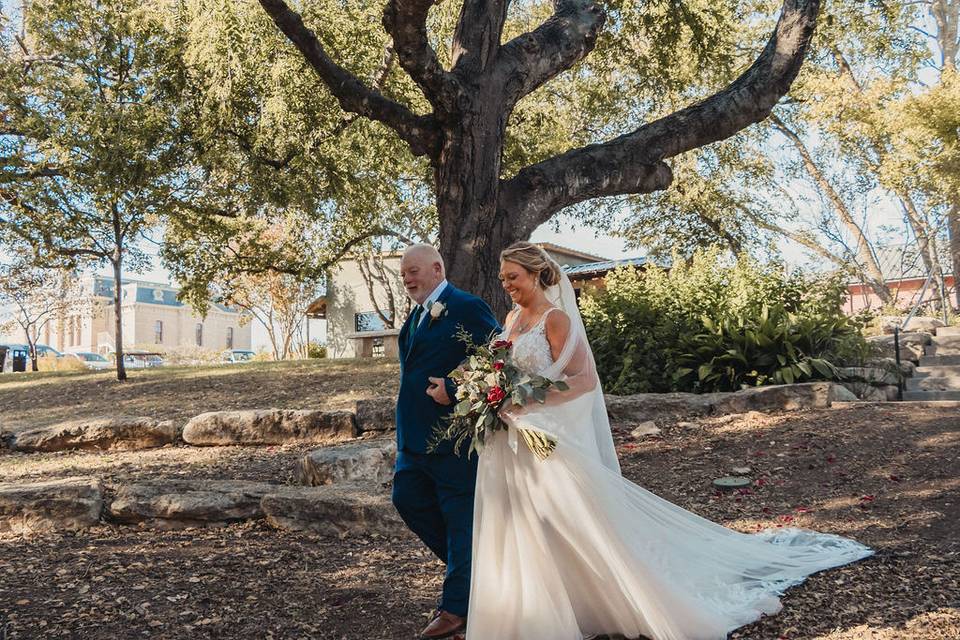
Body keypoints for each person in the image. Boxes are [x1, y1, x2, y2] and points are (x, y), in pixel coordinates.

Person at [465, 241, 874, 640]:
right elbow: (506, 371)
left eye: (513, 277)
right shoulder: (512, 318)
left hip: (544, 435)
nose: (507, 284)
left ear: (536, 274)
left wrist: (527, 401)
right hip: (510, 437)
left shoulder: (555, 320)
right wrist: (495, 394)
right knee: (521, 521)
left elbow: (584, 380)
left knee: (568, 519)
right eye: (503, 278)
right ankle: (533, 611)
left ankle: (605, 600)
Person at [392, 244, 500, 640]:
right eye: (404, 273)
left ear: (438, 268)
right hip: (413, 440)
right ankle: (477, 578)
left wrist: (455, 387)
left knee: (459, 520)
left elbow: (501, 357)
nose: (407, 279)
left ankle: (456, 609)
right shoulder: (416, 316)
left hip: (452, 437)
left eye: (414, 271)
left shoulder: (466, 306)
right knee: (407, 499)